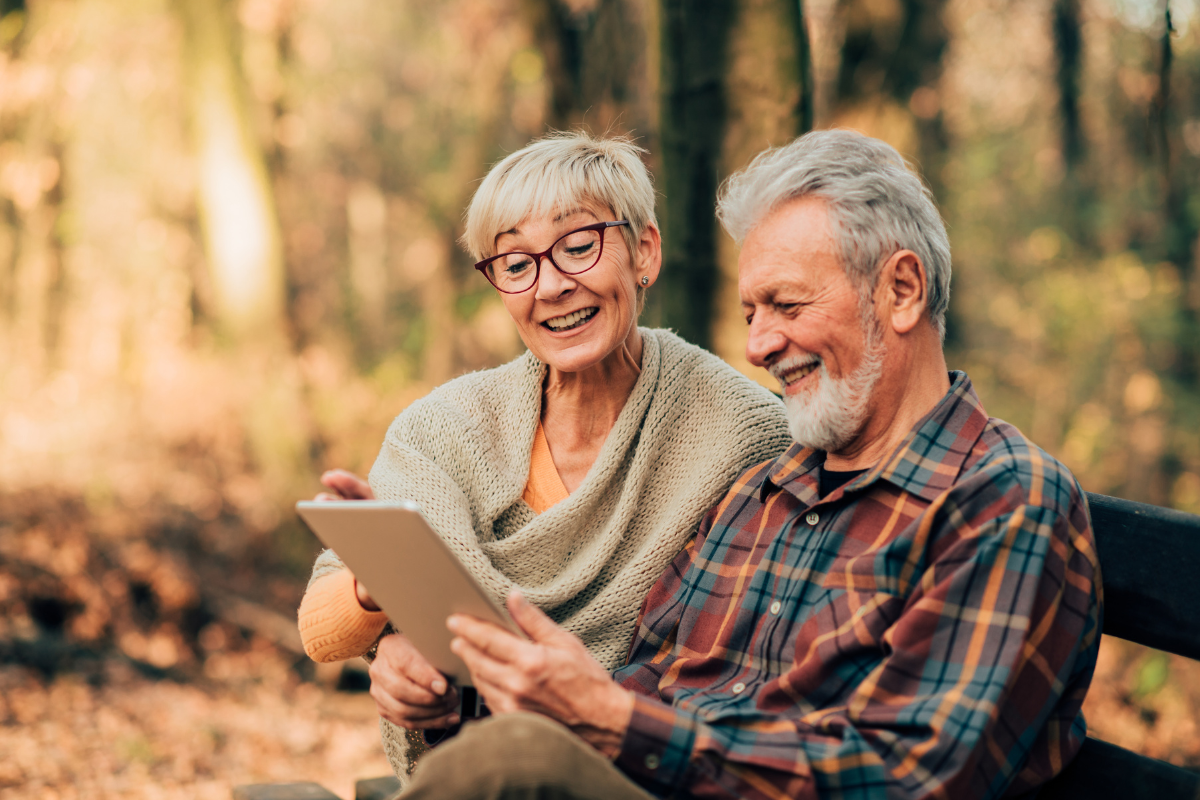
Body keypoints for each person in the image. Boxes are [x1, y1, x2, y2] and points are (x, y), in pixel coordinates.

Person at [393, 129, 1104, 800]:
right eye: (751, 313)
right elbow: (643, 681)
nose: (760, 345)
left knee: (511, 765)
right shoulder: (769, 488)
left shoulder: (999, 500)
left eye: (787, 305)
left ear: (902, 291)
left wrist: (612, 722)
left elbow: (907, 778)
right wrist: (456, 696)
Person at [295, 131, 792, 786]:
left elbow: (748, 660)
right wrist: (387, 611)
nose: (551, 286)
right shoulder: (443, 428)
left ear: (645, 251)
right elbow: (320, 629)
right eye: (516, 263)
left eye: (578, 247)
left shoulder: (743, 431)